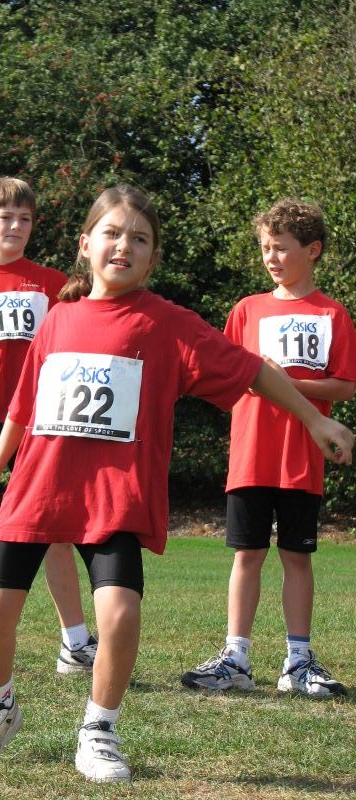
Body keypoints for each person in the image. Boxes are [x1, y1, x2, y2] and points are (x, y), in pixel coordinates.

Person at [0, 186, 354, 781]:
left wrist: (314, 417)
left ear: (153, 258)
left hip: (115, 495)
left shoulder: (168, 323)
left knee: (117, 614)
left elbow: (253, 370)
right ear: (86, 244)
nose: (124, 246)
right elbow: (23, 403)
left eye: (139, 239)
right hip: (38, 486)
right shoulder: (59, 317)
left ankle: (99, 727)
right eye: (112, 233)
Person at [181, 199, 356, 697]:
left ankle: (298, 661)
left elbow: (344, 385)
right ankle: (235, 657)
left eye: (281, 248)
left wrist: (283, 383)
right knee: (247, 554)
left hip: (302, 459)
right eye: (265, 249)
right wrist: (260, 382)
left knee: (297, 557)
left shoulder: (333, 314)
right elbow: (227, 375)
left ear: (313, 250)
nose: (271, 258)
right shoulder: (246, 310)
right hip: (251, 455)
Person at [0, 177, 96, 672]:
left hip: (46, 420)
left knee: (56, 528)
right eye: (5, 217)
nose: (15, 226)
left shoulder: (54, 282)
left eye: (25, 218)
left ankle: (75, 643)